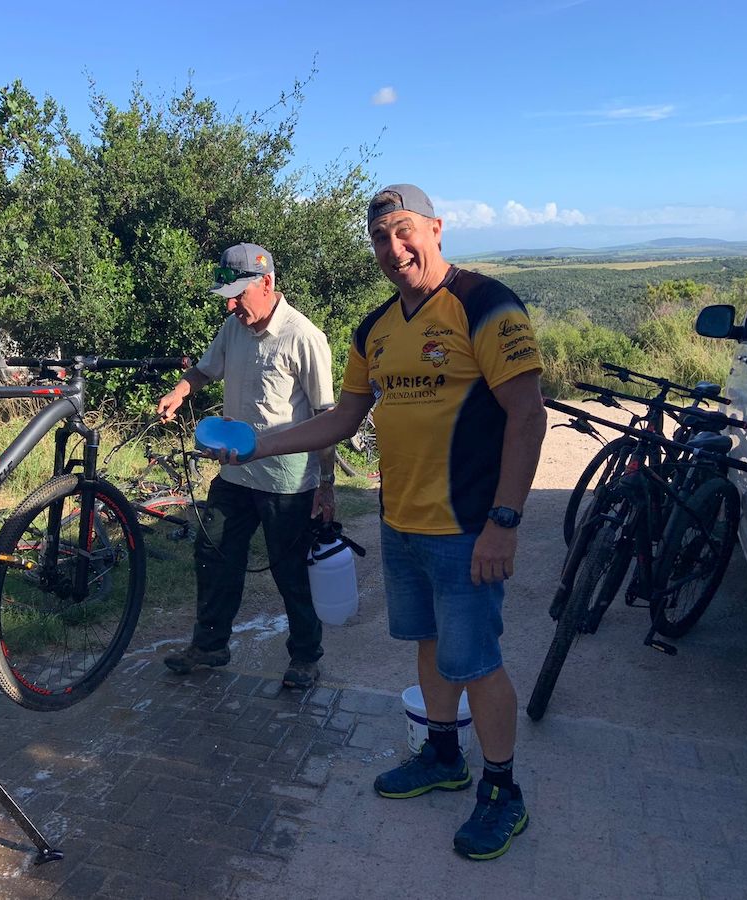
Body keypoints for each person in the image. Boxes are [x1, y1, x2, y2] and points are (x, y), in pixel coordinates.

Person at [209, 185, 546, 860]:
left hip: (468, 525)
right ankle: (444, 756)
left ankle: (503, 791)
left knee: (477, 659)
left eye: (403, 232)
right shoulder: (376, 328)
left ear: (435, 229)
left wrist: (504, 520)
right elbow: (341, 417)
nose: (394, 250)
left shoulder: (485, 304)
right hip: (403, 521)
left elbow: (527, 414)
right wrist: (257, 441)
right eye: (380, 240)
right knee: (427, 642)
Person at [157, 242, 337, 690]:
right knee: (212, 554)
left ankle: (305, 656)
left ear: (268, 283)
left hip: (287, 481)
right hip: (234, 473)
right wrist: (181, 391)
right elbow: (203, 371)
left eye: (238, 294)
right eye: (227, 296)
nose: (232, 304)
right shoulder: (233, 327)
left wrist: (327, 484)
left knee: (289, 569)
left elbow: (327, 417)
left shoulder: (304, 337)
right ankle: (210, 646)